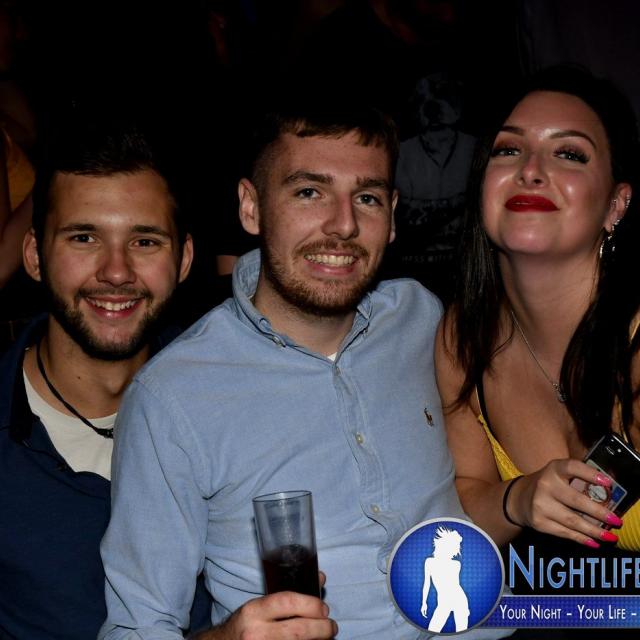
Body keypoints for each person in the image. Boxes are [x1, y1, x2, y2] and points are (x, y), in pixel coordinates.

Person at [99, 101, 507, 639]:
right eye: (309, 192)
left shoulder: (422, 319)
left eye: (367, 197)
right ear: (251, 207)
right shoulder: (173, 395)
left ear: (392, 215)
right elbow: (135, 627)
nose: (343, 224)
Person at [0, 119, 211, 639]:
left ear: (183, 259)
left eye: (144, 240)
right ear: (35, 256)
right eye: (84, 237)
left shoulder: (233, 403)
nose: (116, 272)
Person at [435, 66, 640, 556]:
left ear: (616, 205)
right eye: (508, 149)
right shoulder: (462, 338)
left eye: (569, 154)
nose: (530, 169)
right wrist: (518, 499)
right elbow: (466, 501)